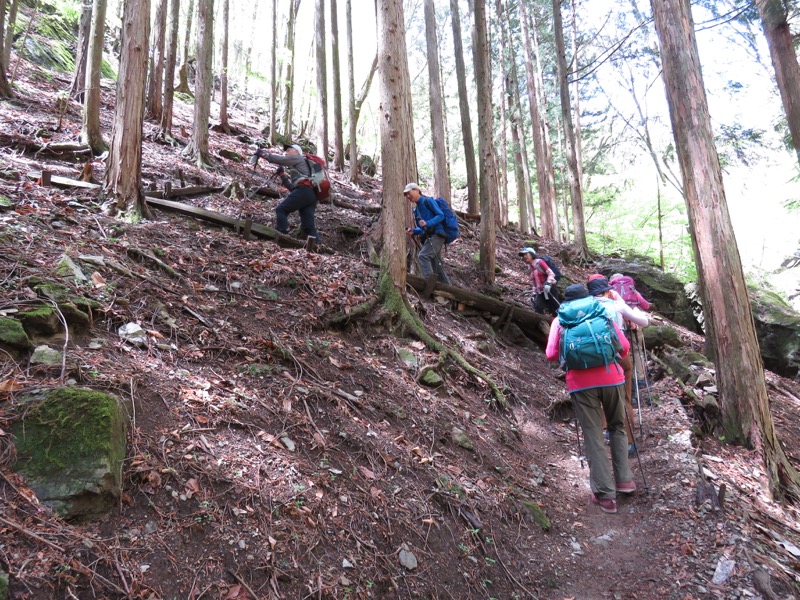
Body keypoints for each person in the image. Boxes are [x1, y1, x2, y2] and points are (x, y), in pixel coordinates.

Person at [545, 283, 635, 514]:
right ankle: (624, 480)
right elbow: (623, 347)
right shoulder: (602, 314)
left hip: (581, 385)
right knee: (617, 427)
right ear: (588, 298)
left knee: (594, 434)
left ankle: (606, 495)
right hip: (612, 378)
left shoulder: (560, 320)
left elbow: (551, 354)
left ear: (566, 301)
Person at [587, 275, 650, 455]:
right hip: (619, 355)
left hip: (595, 358)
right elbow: (644, 321)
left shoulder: (585, 307)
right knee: (625, 399)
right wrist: (621, 300)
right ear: (607, 290)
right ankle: (629, 443)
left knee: (601, 395)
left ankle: (607, 430)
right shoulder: (616, 304)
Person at [253, 144, 319, 242]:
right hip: (311, 195)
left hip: (304, 191)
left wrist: (263, 154)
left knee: (281, 210)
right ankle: (317, 247)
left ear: (296, 152)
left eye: (289, 150)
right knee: (308, 227)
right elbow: (293, 188)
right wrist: (282, 175)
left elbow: (281, 160)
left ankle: (282, 236)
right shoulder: (301, 169)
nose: (286, 153)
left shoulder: (299, 158)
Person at [404, 183, 451, 284]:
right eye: (406, 195)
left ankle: (431, 285)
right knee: (436, 264)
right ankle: (448, 289)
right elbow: (423, 229)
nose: (408, 196)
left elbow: (441, 215)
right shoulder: (416, 210)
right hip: (429, 237)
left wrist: (427, 222)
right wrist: (414, 231)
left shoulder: (428, 201)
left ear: (416, 190)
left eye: (409, 193)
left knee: (423, 256)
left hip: (438, 235)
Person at [519, 248, 560, 315]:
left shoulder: (540, 262)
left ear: (532, 254)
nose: (524, 257)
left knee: (555, 309)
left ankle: (561, 323)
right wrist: (534, 293)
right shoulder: (530, 268)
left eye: (526, 254)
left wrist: (548, 283)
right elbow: (534, 283)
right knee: (538, 307)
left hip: (550, 289)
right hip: (540, 292)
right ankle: (543, 323)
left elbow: (551, 273)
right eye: (523, 255)